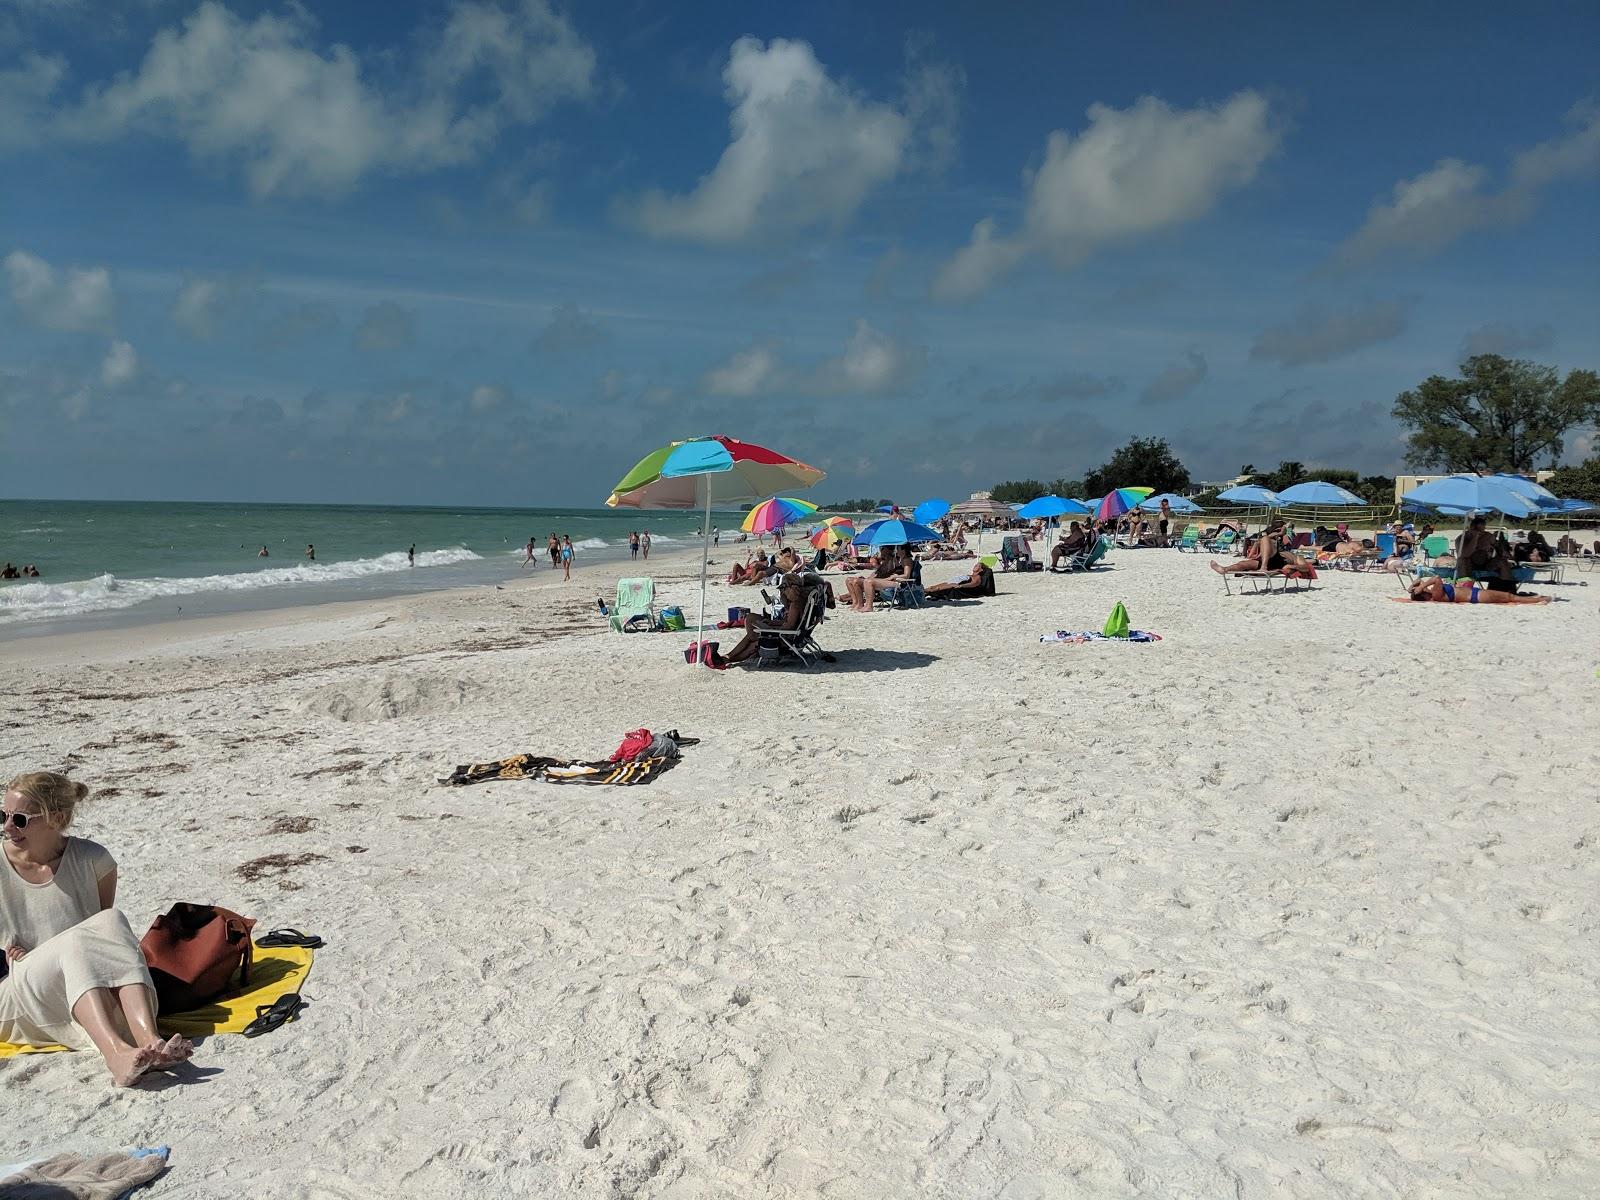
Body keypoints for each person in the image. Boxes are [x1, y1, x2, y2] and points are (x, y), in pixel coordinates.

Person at [2, 772, 195, 1085]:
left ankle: (150, 1040)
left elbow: (104, 940)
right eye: (4, 815)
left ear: (57, 818)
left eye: (20, 819)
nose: (8, 827)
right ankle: (115, 1054)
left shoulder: (94, 859)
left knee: (110, 920)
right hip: (21, 993)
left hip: (90, 998)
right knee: (77, 941)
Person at [1210, 519, 1288, 576]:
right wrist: (1252, 556)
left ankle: (1264, 567)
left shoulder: (1281, 536)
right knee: (1243, 564)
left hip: (1277, 560)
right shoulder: (1269, 535)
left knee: (1265, 539)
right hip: (1264, 560)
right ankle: (1224, 569)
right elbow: (1258, 542)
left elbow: (1286, 544)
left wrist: (1281, 534)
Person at [1407, 576, 1550, 605]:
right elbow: (1436, 578)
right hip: (1477, 596)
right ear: (1425, 595)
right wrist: (1420, 587)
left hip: (1476, 594)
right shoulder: (1437, 595)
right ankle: (1539, 600)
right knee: (1510, 596)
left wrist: (1414, 587)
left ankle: (1539, 599)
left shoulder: (1433, 593)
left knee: (1510, 596)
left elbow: (1419, 579)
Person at [1455, 517, 1513, 582]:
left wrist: (1502, 551)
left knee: (1502, 562)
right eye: (1477, 530)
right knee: (1462, 561)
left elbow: (1500, 548)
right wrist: (1474, 538)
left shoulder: (1488, 536)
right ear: (1471, 528)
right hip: (1470, 564)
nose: (1480, 532)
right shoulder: (1462, 539)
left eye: (1482, 529)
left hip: (1486, 563)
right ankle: (1464, 586)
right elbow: (1464, 554)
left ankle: (1507, 585)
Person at [926, 561, 995, 600]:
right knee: (933, 587)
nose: (975, 566)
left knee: (938, 588)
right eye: (975, 565)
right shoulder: (970, 575)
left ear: (981, 569)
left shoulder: (977, 576)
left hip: (956, 584)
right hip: (951, 582)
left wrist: (961, 586)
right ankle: (925, 590)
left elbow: (975, 583)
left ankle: (927, 592)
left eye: (977, 566)